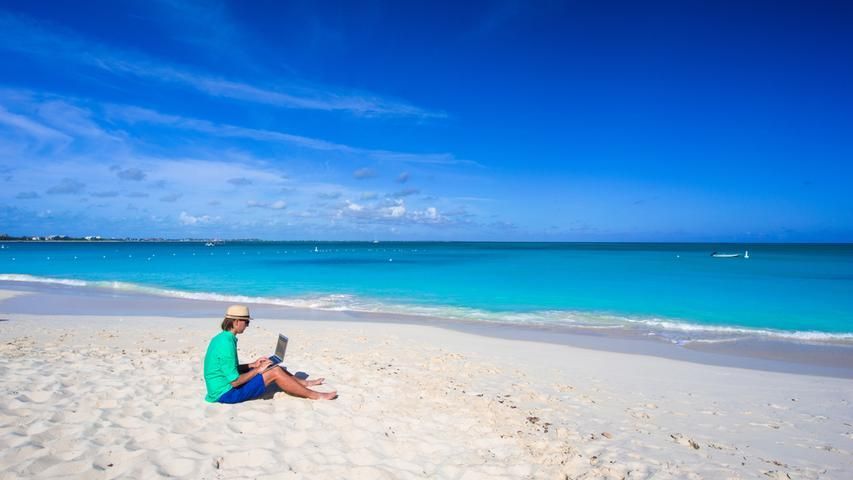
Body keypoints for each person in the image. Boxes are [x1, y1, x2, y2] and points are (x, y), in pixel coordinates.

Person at [203, 305, 337, 403]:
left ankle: (304, 383)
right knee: (275, 371)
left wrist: (252, 365)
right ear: (236, 322)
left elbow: (228, 368)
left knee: (272, 366)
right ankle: (315, 395)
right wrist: (257, 371)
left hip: (219, 388)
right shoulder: (226, 343)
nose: (248, 325)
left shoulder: (222, 338)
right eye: (247, 322)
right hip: (225, 393)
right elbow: (235, 382)